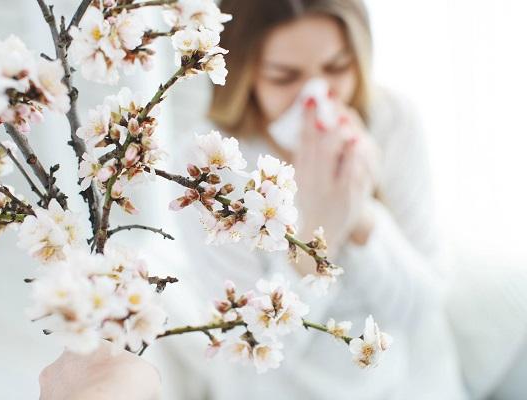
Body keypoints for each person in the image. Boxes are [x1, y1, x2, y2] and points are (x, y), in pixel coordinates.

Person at [40, 0, 471, 398]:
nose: (317, 97)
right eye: (286, 77)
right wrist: (318, 230)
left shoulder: (392, 122)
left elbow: (426, 306)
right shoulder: (211, 164)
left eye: (338, 67)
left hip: (405, 383)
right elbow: (248, 351)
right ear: (247, 72)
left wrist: (359, 217)